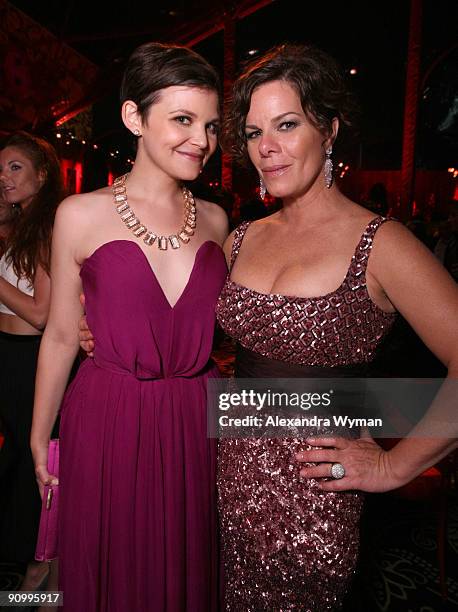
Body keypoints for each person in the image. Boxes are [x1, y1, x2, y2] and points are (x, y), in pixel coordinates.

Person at [214, 44, 458, 610]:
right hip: (224, 475)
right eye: (253, 133)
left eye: (286, 124)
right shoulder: (242, 237)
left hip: (312, 497)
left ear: (329, 130)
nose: (266, 148)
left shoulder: (382, 243)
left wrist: (395, 464)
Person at [31, 42, 228, 612]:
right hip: (108, 412)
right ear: (134, 118)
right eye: (183, 120)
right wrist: (39, 435)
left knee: (182, 565)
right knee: (108, 564)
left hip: (195, 417)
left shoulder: (217, 219)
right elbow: (63, 336)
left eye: (212, 125)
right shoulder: (79, 214)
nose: (202, 141)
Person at [0, 132, 63, 591]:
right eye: (0, 170)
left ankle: (36, 571)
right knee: (18, 460)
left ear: (43, 174)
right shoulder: (22, 224)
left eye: (14, 167)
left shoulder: (46, 227)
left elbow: (42, 313)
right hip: (8, 355)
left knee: (29, 465)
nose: (4, 178)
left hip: (28, 360)